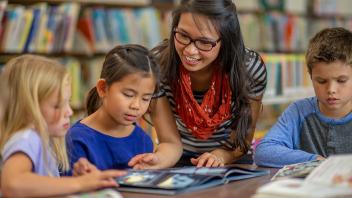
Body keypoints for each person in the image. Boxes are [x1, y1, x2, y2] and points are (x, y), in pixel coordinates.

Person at [129, 0, 267, 168]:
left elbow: (243, 139)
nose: (190, 51)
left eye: (204, 42)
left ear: (226, 40)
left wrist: (221, 155)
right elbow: (169, 142)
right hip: (178, 159)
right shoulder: (158, 65)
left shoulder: (249, 68)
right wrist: (157, 161)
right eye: (183, 35)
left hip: (232, 161)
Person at [0, 55, 125, 197]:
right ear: (28, 108)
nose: (69, 112)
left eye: (68, 102)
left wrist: (78, 179)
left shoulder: (42, 140)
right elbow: (12, 184)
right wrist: (81, 183)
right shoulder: (27, 138)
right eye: (57, 105)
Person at [254, 27, 352, 168]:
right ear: (311, 76)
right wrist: (315, 160)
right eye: (321, 81)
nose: (331, 90)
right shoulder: (299, 111)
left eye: (341, 81)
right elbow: (264, 151)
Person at [65, 44, 160, 173]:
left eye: (145, 98)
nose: (136, 106)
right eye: (128, 95)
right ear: (103, 88)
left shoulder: (143, 140)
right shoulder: (76, 140)